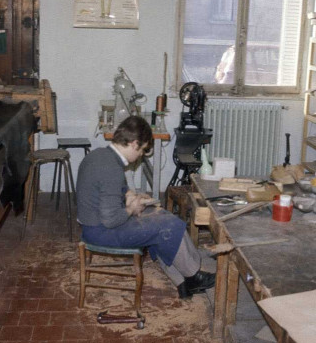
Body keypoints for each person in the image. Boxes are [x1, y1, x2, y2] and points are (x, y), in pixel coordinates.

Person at [77, 115, 215, 299]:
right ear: (134, 144)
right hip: (101, 232)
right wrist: (131, 209)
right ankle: (193, 276)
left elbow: (108, 189)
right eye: (142, 150)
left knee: (161, 215)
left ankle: (183, 281)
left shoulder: (100, 155)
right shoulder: (111, 167)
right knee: (168, 225)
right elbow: (110, 220)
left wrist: (129, 195)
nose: (141, 155)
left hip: (93, 225)